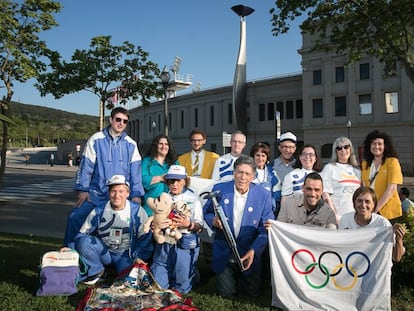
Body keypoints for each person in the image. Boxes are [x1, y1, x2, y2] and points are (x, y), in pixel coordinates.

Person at [63, 107, 144, 247]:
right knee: (75, 218)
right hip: (97, 195)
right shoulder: (96, 139)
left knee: (136, 224)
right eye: (118, 119)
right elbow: (86, 167)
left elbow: (135, 173)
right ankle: (69, 255)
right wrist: (83, 190)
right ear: (110, 120)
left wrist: (136, 195)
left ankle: (131, 258)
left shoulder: (131, 144)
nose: (121, 123)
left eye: (125, 121)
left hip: (120, 196)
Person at [204, 155, 274, 297]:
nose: (243, 177)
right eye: (239, 172)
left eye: (247, 174)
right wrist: (213, 221)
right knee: (227, 293)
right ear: (234, 173)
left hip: (249, 252)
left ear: (253, 176)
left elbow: (266, 228)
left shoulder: (264, 195)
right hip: (224, 251)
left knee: (251, 294)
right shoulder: (220, 189)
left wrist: (254, 250)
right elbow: (207, 211)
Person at [69, 175, 153, 285]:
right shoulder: (99, 210)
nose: (117, 195)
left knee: (128, 282)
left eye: (121, 191)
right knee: (84, 242)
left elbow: (145, 237)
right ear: (109, 193)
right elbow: (82, 233)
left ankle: (115, 270)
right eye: (113, 191)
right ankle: (98, 271)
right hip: (105, 252)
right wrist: (70, 249)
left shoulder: (137, 211)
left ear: (127, 193)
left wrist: (138, 256)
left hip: (125, 254)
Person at [151, 165, 203, 294]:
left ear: (185, 181)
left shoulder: (193, 199)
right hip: (165, 240)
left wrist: (188, 224)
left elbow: (199, 227)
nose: (174, 184)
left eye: (178, 180)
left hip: (185, 240)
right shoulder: (162, 197)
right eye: (171, 181)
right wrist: (154, 225)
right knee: (159, 287)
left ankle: (192, 274)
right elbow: (156, 217)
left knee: (181, 290)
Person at [339, 186, 406, 262]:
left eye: (367, 201)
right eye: (359, 201)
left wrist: (399, 239)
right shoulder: (345, 220)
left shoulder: (383, 224)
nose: (363, 205)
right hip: (350, 268)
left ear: (373, 204)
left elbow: (396, 258)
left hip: (375, 271)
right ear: (354, 203)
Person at [361, 129, 403, 220]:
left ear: (385, 146)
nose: (376, 146)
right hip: (370, 210)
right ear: (369, 146)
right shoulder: (365, 164)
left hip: (388, 212)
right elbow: (365, 187)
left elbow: (391, 189)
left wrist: (375, 209)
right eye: (373, 143)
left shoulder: (392, 162)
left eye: (380, 144)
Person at [320, 137, 361, 221]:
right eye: (339, 148)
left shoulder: (357, 170)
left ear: (351, 149)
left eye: (346, 147)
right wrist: (334, 215)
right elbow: (325, 194)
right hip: (338, 216)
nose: (343, 150)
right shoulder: (329, 168)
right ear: (335, 151)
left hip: (356, 216)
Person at [141, 134, 178, 215]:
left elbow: (180, 181)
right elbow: (142, 180)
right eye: (160, 144)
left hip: (169, 206)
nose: (163, 146)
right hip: (150, 205)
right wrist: (160, 178)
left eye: (166, 144)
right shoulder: (147, 161)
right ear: (156, 146)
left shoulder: (174, 163)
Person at [249, 141, 281, 212]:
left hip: (267, 208)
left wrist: (270, 200)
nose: (260, 158)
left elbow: (277, 190)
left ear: (267, 158)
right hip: (250, 207)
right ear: (253, 156)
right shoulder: (248, 171)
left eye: (263, 155)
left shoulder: (271, 172)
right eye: (257, 155)